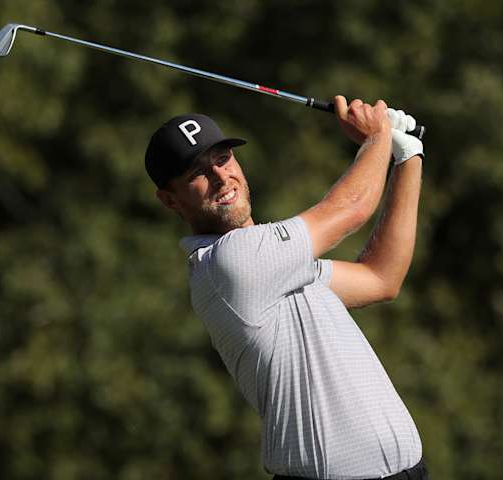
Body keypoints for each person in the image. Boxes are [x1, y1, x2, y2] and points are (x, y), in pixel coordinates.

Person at [144, 96, 427, 480]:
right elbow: (351, 209)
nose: (220, 178)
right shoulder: (231, 262)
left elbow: (381, 278)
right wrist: (376, 137)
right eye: (197, 171)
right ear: (170, 199)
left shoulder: (276, 265)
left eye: (223, 158)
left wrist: (406, 157)